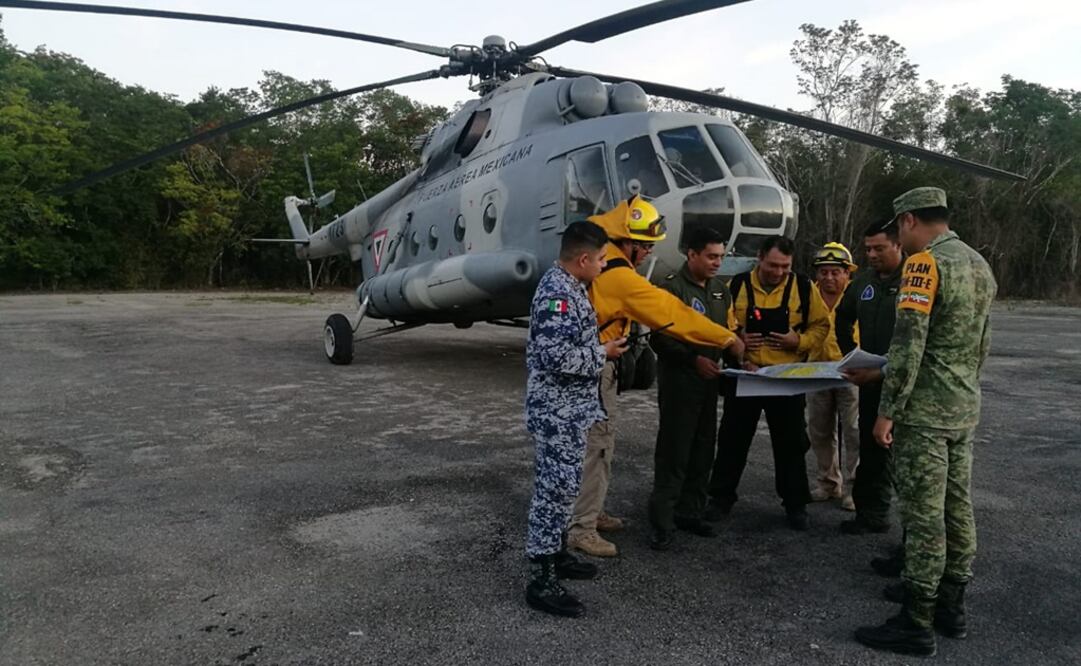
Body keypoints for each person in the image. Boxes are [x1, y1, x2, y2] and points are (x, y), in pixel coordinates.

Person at [855, 187, 997, 656]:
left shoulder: (925, 264)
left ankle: (916, 621)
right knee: (958, 508)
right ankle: (951, 607)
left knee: (924, 516)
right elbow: (982, 345)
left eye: (898, 229)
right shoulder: (978, 263)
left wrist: (887, 410)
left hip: (924, 414)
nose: (898, 237)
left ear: (910, 220)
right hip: (962, 408)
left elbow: (909, 345)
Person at [567, 196, 745, 558]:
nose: (648, 252)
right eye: (644, 245)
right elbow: (670, 312)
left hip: (597, 366)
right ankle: (582, 528)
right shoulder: (617, 275)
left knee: (599, 446)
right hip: (597, 370)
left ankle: (590, 511)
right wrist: (725, 338)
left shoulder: (608, 265)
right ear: (626, 241)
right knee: (597, 447)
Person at [523, 221, 628, 617]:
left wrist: (600, 346)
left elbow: (570, 346)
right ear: (583, 259)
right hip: (557, 414)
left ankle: (558, 555)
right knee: (553, 494)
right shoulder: (557, 294)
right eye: (601, 259)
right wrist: (604, 354)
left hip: (570, 410)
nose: (603, 266)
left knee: (565, 489)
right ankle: (541, 579)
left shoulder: (571, 288)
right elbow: (555, 358)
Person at [707, 236, 830, 531]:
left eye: (785, 267)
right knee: (732, 440)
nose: (778, 272)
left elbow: (822, 325)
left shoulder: (803, 287)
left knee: (790, 444)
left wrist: (797, 341)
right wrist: (736, 342)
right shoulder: (736, 286)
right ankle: (720, 499)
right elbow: (721, 325)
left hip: (785, 380)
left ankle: (795, 504)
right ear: (760, 258)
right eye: (773, 265)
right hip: (746, 376)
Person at [647, 227, 738, 550]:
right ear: (692, 254)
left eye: (721, 257)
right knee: (675, 451)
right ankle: (662, 520)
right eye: (712, 256)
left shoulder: (720, 291)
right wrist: (692, 360)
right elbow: (659, 337)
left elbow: (723, 333)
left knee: (703, 450)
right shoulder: (670, 289)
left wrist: (739, 356)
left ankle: (691, 511)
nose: (717, 263)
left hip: (709, 384)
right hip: (680, 384)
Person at [837, 220, 905, 551]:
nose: (872, 255)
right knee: (870, 447)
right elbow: (843, 317)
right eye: (868, 249)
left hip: (903, 382)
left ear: (898, 245)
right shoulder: (862, 282)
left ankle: (913, 535)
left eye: (879, 248)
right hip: (868, 379)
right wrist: (849, 353)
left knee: (901, 455)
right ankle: (870, 515)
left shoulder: (914, 280)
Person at [805, 242, 860, 511]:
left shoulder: (858, 296)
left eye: (835, 272)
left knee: (854, 431)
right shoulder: (808, 295)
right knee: (819, 431)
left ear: (847, 273)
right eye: (823, 272)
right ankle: (828, 482)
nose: (828, 277)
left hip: (851, 372)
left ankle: (854, 489)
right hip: (816, 371)